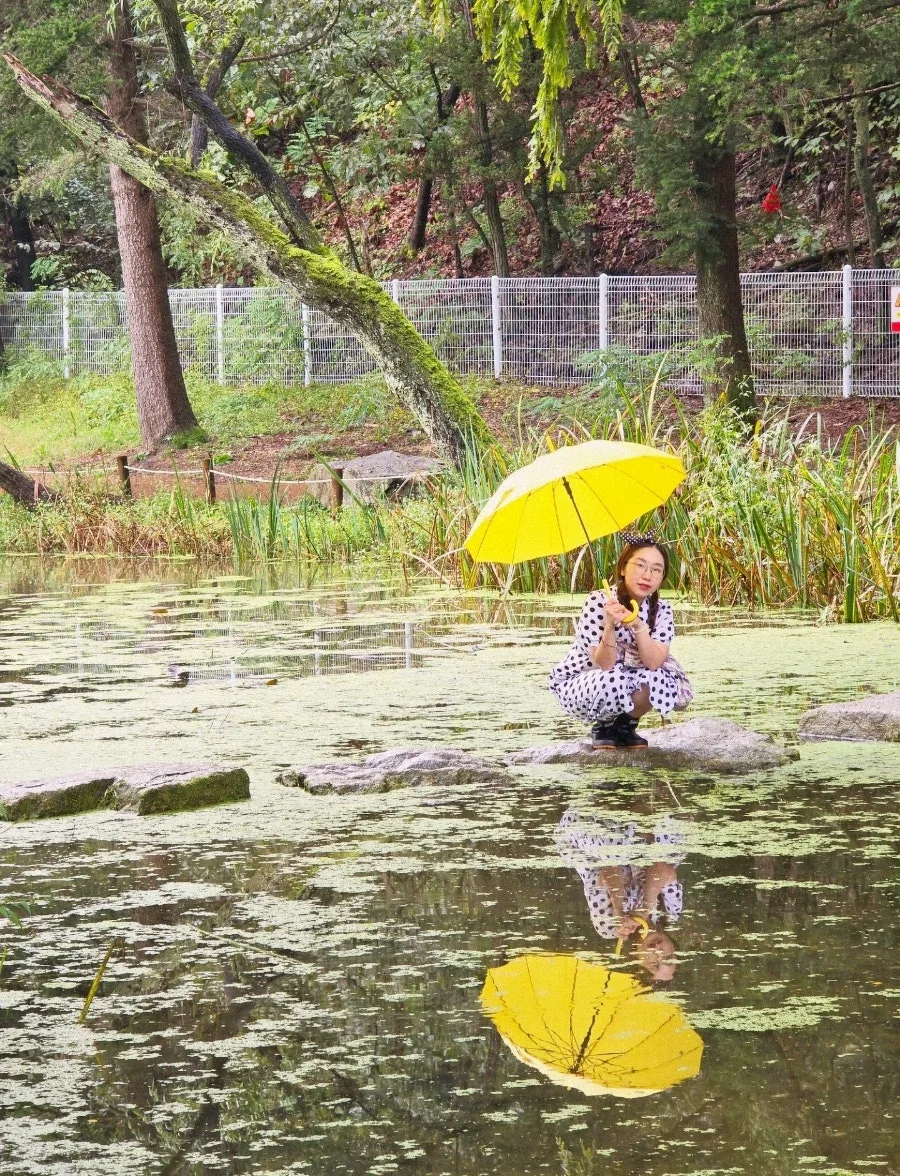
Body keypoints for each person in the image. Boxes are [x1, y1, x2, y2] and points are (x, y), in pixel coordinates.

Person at [549, 530, 692, 749]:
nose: (647, 575)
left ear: (662, 576)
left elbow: (654, 662)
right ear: (623, 568)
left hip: (627, 679)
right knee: (613, 678)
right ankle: (603, 726)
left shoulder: (662, 609)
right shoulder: (598, 601)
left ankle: (625, 725)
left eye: (656, 569)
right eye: (640, 566)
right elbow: (604, 664)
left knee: (659, 677)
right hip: (584, 682)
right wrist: (609, 624)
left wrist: (638, 626)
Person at [555, 807, 687, 983]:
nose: (659, 953)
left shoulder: (608, 927)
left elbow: (610, 869)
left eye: (654, 964)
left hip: (587, 838)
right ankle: (654, 806)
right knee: (673, 850)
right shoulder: (670, 914)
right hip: (637, 842)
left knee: (616, 849)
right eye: (668, 958)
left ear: (636, 960)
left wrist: (618, 910)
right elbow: (662, 868)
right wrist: (646, 907)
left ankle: (636, 811)